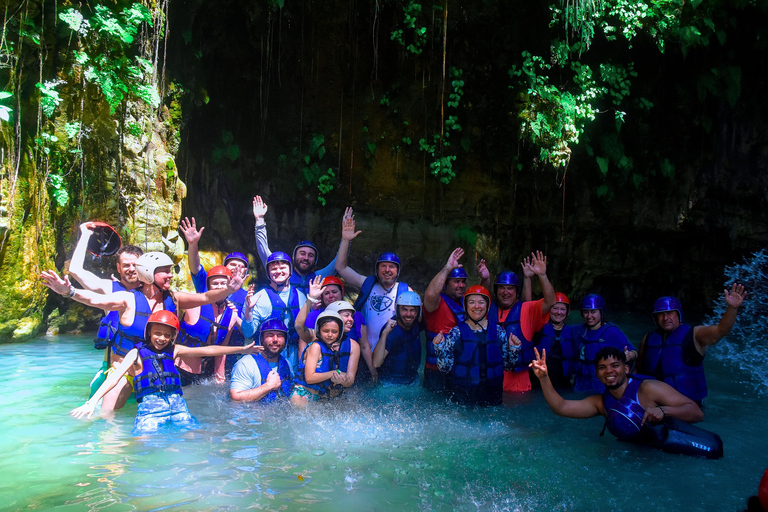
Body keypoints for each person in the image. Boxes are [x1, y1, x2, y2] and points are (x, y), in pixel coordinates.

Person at [42, 251, 241, 412]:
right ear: (148, 274)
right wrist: (69, 291)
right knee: (106, 419)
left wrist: (228, 290)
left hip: (158, 373)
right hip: (125, 372)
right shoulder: (128, 299)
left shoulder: (174, 299)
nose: (171, 275)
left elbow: (206, 297)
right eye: (165, 271)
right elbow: (95, 300)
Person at [71, 310, 260, 434]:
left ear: (172, 337)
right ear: (149, 333)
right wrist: (91, 402)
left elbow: (208, 350)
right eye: (157, 333)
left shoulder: (175, 350)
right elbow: (113, 379)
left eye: (167, 335)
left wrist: (241, 350)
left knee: (194, 438)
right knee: (142, 448)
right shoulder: (135, 353)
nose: (162, 338)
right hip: (150, 412)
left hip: (178, 407)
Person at [530, 346, 723, 458]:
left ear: (626, 369)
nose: (609, 371)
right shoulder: (601, 403)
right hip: (633, 459)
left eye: (615, 366)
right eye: (602, 367)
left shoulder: (648, 388)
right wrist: (544, 378)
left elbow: (697, 412)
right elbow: (560, 407)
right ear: (597, 374)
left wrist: (664, 411)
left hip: (670, 454)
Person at [636, 283, 747, 405]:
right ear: (655, 318)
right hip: (654, 403)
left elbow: (722, 330)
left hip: (688, 406)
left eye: (670, 313)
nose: (665, 318)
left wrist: (732, 308)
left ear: (678, 315)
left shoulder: (695, 335)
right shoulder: (648, 339)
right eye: (661, 314)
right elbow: (638, 371)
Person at [334, 208, 410, 381]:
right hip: (363, 352)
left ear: (398, 271)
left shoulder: (405, 290)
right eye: (383, 266)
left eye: (392, 266)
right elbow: (341, 268)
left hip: (391, 352)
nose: (387, 270)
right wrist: (346, 240)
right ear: (377, 269)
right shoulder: (367, 283)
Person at [432, 286, 523, 406]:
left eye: (481, 302)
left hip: (493, 397)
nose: (477, 306)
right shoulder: (456, 333)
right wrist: (439, 348)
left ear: (487, 305)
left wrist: (514, 349)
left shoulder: (499, 331)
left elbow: (508, 366)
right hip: (463, 397)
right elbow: (445, 368)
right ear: (466, 306)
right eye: (472, 302)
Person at [488, 251, 555, 393]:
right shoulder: (488, 309)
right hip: (490, 378)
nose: (505, 292)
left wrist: (542, 275)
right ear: (496, 289)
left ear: (516, 291)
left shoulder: (526, 310)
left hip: (518, 383)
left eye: (510, 288)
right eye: (502, 287)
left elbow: (550, 302)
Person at [179, 217, 249, 347]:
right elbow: (195, 267)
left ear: (246, 273)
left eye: (241, 266)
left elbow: (248, 329)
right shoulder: (207, 283)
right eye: (232, 264)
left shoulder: (246, 296)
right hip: (200, 342)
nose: (236, 268)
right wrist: (193, 244)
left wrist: (235, 318)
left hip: (230, 345)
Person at [252, 196, 338, 296]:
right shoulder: (282, 273)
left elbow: (339, 262)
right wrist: (259, 220)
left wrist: (346, 239)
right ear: (294, 257)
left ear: (315, 260)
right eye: (302, 253)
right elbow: (263, 250)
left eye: (311, 255)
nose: (306, 258)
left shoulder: (319, 276)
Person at [240, 251, 307, 373]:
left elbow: (307, 332)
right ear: (268, 273)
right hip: (268, 357)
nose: (278, 271)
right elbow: (248, 332)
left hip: (294, 355)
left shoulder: (301, 296)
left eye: (282, 267)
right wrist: (248, 311)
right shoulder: (259, 297)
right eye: (273, 268)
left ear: (290, 270)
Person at [177, 266, 241, 385]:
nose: (219, 286)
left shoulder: (232, 315)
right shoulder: (195, 304)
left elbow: (222, 349)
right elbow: (171, 302)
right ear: (208, 286)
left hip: (203, 373)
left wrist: (220, 377)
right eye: (215, 283)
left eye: (223, 283)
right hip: (178, 368)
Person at [422, 248, 468, 391]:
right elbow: (430, 294)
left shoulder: (466, 303)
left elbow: (484, 305)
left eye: (463, 282)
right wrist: (447, 268)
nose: (461, 285)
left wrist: (485, 279)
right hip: (436, 371)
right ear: (445, 284)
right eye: (456, 282)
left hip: (459, 368)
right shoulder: (436, 303)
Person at [291, 311, 360, 405]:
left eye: (334, 332)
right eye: (326, 331)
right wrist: (333, 373)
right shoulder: (315, 347)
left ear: (340, 333)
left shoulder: (331, 350)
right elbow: (309, 378)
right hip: (302, 395)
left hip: (317, 397)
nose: (330, 335)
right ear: (318, 331)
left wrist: (341, 379)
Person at [571, 294, 636, 393]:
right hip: (580, 384)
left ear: (601, 312)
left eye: (593, 312)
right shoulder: (578, 330)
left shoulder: (611, 332)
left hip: (602, 387)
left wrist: (629, 355)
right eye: (586, 312)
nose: (589, 316)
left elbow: (634, 353)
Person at [294, 275, 366, 357]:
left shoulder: (353, 345)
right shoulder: (316, 334)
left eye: (334, 292)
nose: (350, 319)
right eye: (327, 293)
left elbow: (364, 346)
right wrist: (311, 299)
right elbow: (298, 326)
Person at [229, 318, 293, 403]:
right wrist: (268, 386)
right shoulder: (245, 364)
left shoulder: (287, 364)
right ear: (261, 339)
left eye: (280, 335)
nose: (275, 340)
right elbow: (235, 398)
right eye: (270, 335)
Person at [373, 291, 424, 385]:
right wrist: (385, 333)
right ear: (397, 310)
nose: (408, 314)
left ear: (418, 312)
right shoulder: (392, 330)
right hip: (390, 384)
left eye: (413, 310)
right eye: (404, 309)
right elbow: (376, 363)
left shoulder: (416, 323)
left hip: (412, 380)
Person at [532, 292, 576, 389]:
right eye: (555, 308)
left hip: (564, 383)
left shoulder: (573, 332)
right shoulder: (538, 328)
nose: (559, 312)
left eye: (563, 309)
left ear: (567, 312)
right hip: (539, 382)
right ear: (549, 310)